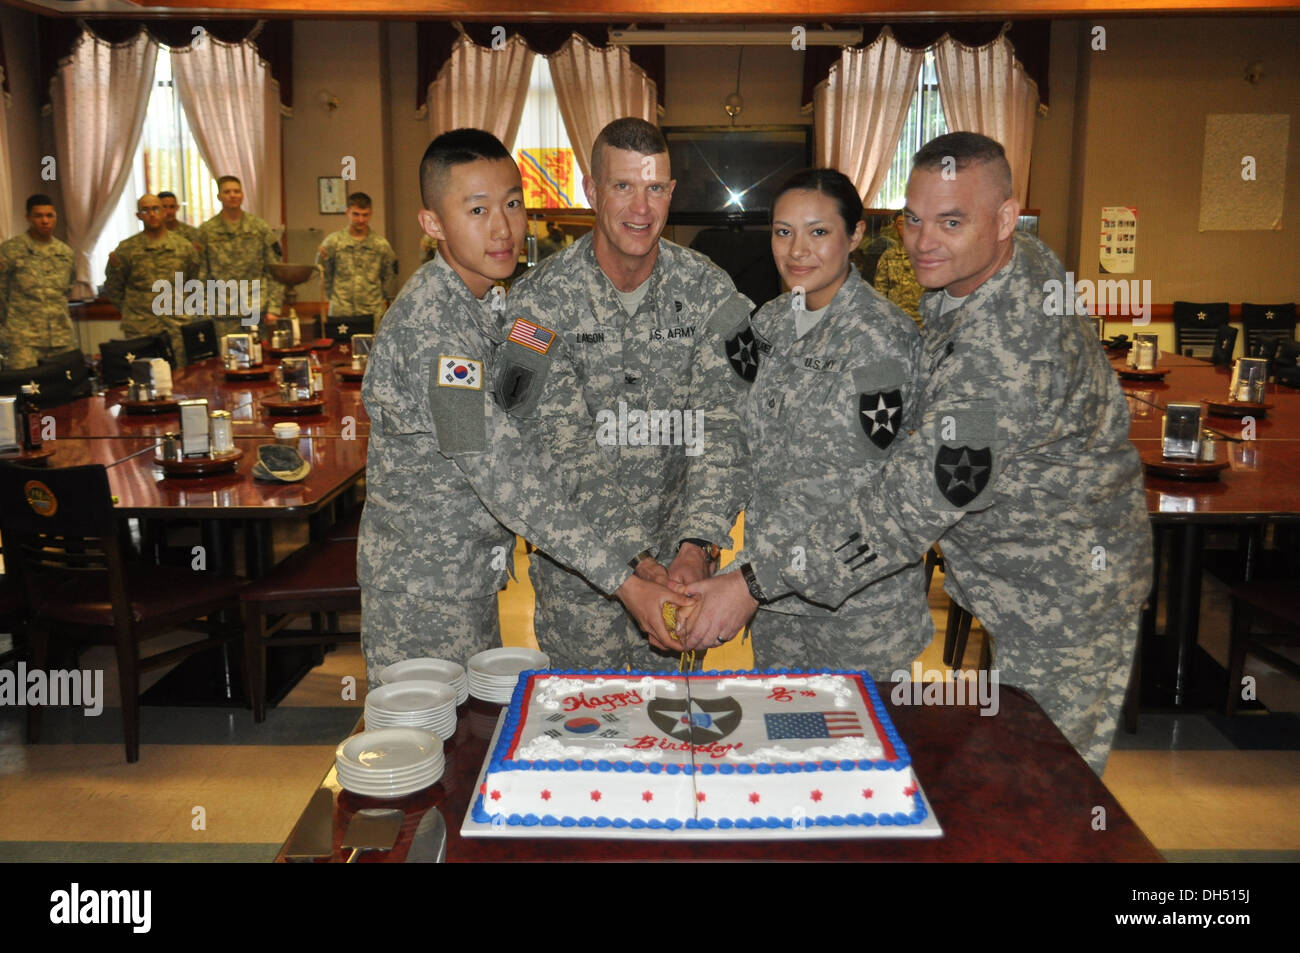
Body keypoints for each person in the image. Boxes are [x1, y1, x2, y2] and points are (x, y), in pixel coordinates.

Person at [678, 132, 1152, 777]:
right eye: (916, 218)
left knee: (1046, 787)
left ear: (1007, 219)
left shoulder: (1005, 346)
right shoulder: (969, 281)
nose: (925, 241)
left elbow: (912, 502)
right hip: (1006, 579)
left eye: (952, 221)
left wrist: (751, 582)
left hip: (1062, 591)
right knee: (994, 772)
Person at [359, 128, 687, 679]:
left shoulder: (485, 305)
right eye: (478, 209)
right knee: (428, 753)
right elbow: (504, 474)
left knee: (469, 746)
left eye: (513, 204)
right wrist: (626, 581)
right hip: (421, 599)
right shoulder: (432, 331)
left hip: (467, 581)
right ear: (433, 223)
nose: (502, 228)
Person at [504, 117, 754, 670]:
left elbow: (727, 428)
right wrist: (635, 564)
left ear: (671, 192)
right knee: (586, 732)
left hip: (682, 580)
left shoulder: (710, 291)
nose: (641, 209)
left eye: (656, 188)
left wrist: (698, 544)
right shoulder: (537, 305)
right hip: (580, 576)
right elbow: (559, 449)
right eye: (623, 187)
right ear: (592, 191)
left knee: (667, 733)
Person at [669, 170, 930, 676]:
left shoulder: (881, 340)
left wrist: (748, 581)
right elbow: (734, 444)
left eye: (818, 231)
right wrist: (700, 542)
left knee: (861, 750)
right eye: (783, 231)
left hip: (858, 615)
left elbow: (861, 491)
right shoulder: (767, 325)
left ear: (854, 236)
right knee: (788, 748)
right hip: (777, 610)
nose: (796, 250)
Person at [103, 194, 200, 363]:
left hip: (176, 327)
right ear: (139, 216)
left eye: (156, 208)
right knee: (143, 380)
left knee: (180, 379)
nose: (152, 214)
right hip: (140, 329)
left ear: (163, 212)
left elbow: (194, 283)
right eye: (145, 210)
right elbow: (113, 287)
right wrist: (134, 310)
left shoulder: (183, 247)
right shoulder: (126, 250)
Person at [197, 175, 282, 337]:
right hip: (221, 308)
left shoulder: (259, 228)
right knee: (226, 358)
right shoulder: (206, 231)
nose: (232, 195)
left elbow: (274, 269)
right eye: (227, 192)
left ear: (242, 195)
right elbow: (201, 274)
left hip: (255, 305)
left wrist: (274, 308)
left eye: (236, 191)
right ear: (219, 197)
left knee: (257, 356)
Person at [0, 194, 76, 370]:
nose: (45, 221)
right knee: (26, 391)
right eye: (38, 215)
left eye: (49, 215)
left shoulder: (65, 253)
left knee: (65, 390)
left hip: (61, 337)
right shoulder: (10, 251)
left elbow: (67, 290)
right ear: (28, 217)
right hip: (24, 340)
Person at [316, 192, 399, 329]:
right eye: (356, 214)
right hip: (341, 310)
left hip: (372, 311)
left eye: (365, 215)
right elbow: (323, 272)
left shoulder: (381, 245)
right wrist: (334, 297)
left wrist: (382, 298)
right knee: (339, 349)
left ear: (371, 214)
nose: (361, 220)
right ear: (347, 212)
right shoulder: (332, 243)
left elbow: (390, 274)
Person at [873, 212, 924, 327]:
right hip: (895, 321)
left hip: (924, 321)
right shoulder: (889, 256)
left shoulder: (930, 256)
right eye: (901, 223)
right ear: (895, 227)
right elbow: (880, 290)